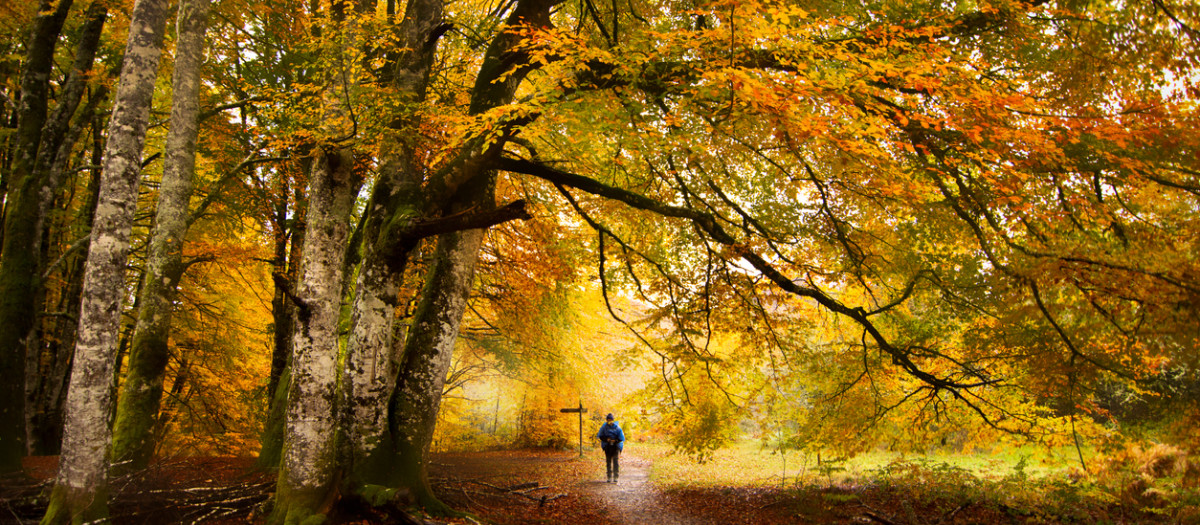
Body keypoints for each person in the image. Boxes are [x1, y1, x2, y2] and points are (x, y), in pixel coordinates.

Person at [596, 413, 625, 483]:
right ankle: (609, 476)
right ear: (606, 420)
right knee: (608, 461)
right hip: (607, 446)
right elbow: (600, 436)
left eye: (610, 420)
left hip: (616, 446)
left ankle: (615, 476)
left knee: (615, 461)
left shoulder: (617, 428)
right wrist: (607, 439)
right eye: (608, 420)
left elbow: (621, 438)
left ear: (613, 420)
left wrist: (615, 440)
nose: (609, 421)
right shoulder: (604, 427)